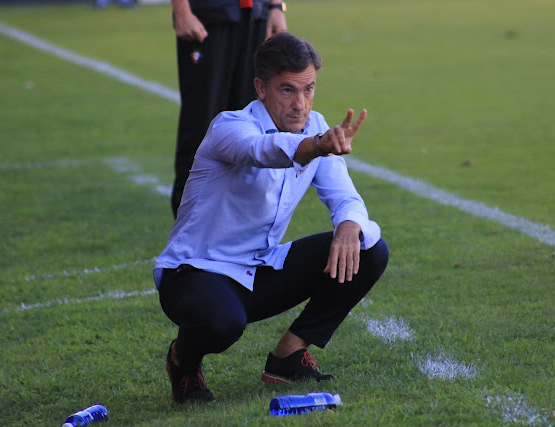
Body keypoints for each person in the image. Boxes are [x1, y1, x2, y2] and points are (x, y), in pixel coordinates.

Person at [153, 32, 389, 404]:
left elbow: (344, 195)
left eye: (309, 89)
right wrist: (316, 147)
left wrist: (348, 226)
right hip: (194, 272)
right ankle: (183, 361)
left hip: (258, 269)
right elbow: (262, 150)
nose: (301, 104)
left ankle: (288, 356)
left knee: (369, 246)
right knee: (222, 323)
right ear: (261, 88)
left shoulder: (316, 128)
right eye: (287, 90)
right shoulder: (230, 127)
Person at [170, 0, 288, 217]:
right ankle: (187, 238)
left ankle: (242, 231)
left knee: (254, 125)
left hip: (256, 15)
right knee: (201, 127)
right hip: (210, 16)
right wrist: (181, 11)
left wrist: (276, 6)